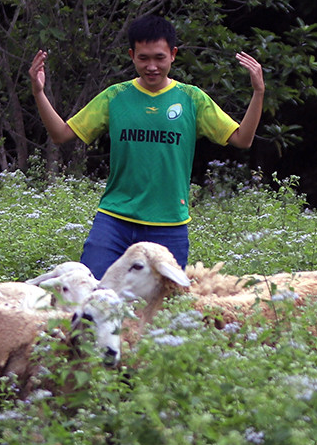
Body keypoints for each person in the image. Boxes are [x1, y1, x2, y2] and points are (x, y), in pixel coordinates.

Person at [28, 15, 263, 277]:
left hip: (169, 223)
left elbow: (243, 139)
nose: (152, 66)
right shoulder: (116, 96)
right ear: (132, 55)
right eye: (143, 58)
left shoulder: (191, 99)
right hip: (114, 219)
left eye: (159, 58)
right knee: (91, 291)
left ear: (173, 54)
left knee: (162, 308)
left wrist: (258, 92)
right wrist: (39, 92)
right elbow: (61, 134)